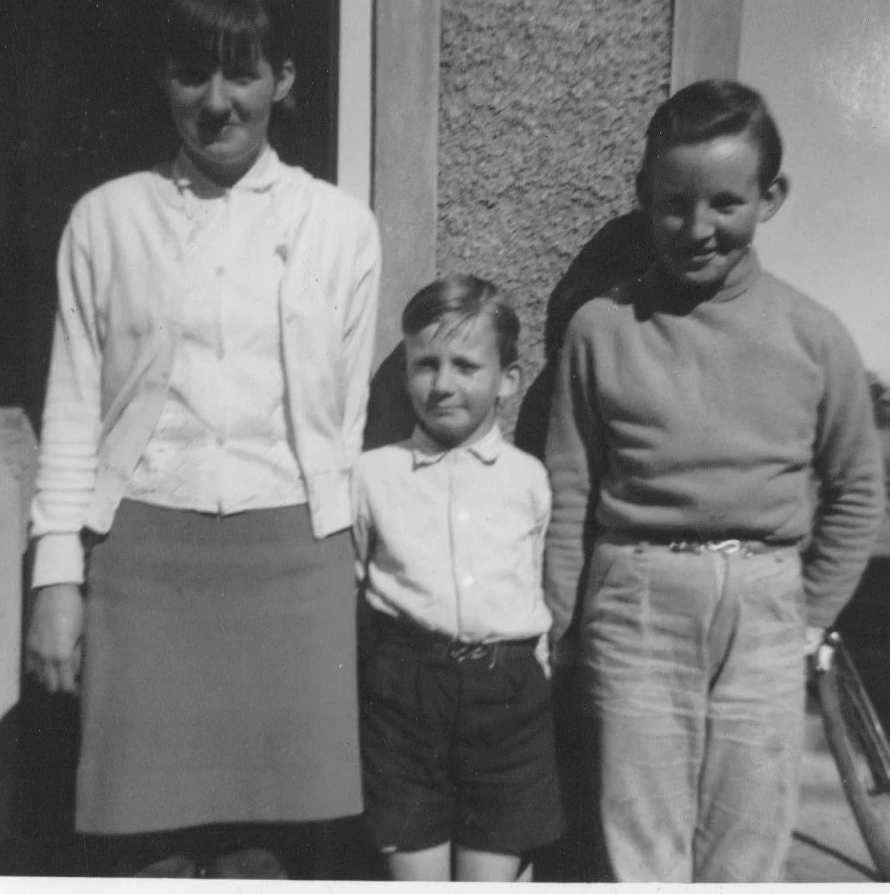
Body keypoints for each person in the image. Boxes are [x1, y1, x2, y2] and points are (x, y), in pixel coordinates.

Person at [23, 0, 381, 878]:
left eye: (242, 72)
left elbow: (341, 423)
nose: (216, 100)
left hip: (292, 564)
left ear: (284, 80)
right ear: (162, 78)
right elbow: (72, 411)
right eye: (191, 72)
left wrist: (345, 561)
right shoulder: (105, 221)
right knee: (148, 852)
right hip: (144, 561)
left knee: (269, 853)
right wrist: (56, 578)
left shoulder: (342, 228)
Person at [544, 79, 885, 883]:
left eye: (725, 203)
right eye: (674, 204)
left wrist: (806, 616)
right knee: (640, 836)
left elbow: (857, 490)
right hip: (633, 594)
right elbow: (567, 492)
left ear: (770, 197)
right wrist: (556, 629)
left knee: (747, 839)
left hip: (767, 600)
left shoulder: (813, 334)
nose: (697, 229)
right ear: (643, 197)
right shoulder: (601, 328)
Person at [352, 275, 565, 881]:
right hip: (405, 698)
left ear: (509, 380)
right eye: (426, 365)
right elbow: (353, 583)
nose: (442, 384)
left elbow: (540, 582)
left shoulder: (530, 480)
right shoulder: (373, 476)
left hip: (509, 699)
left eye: (466, 365)